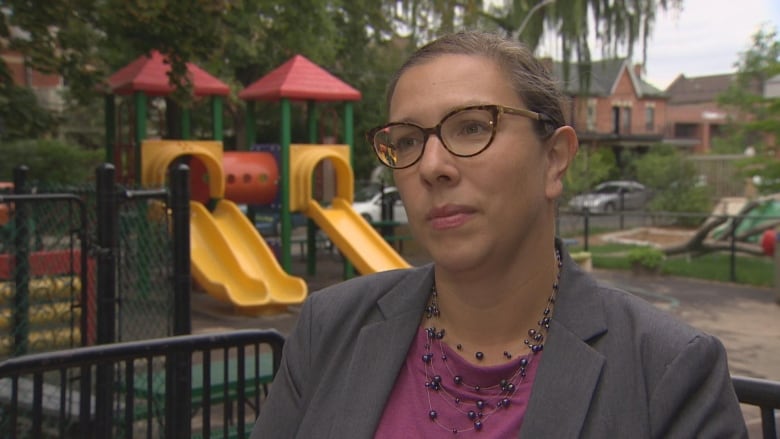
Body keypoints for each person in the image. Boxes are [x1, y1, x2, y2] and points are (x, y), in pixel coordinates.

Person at [251, 30, 746, 438]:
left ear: (554, 159)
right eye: (406, 141)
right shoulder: (329, 327)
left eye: (470, 127)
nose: (432, 167)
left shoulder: (667, 371)